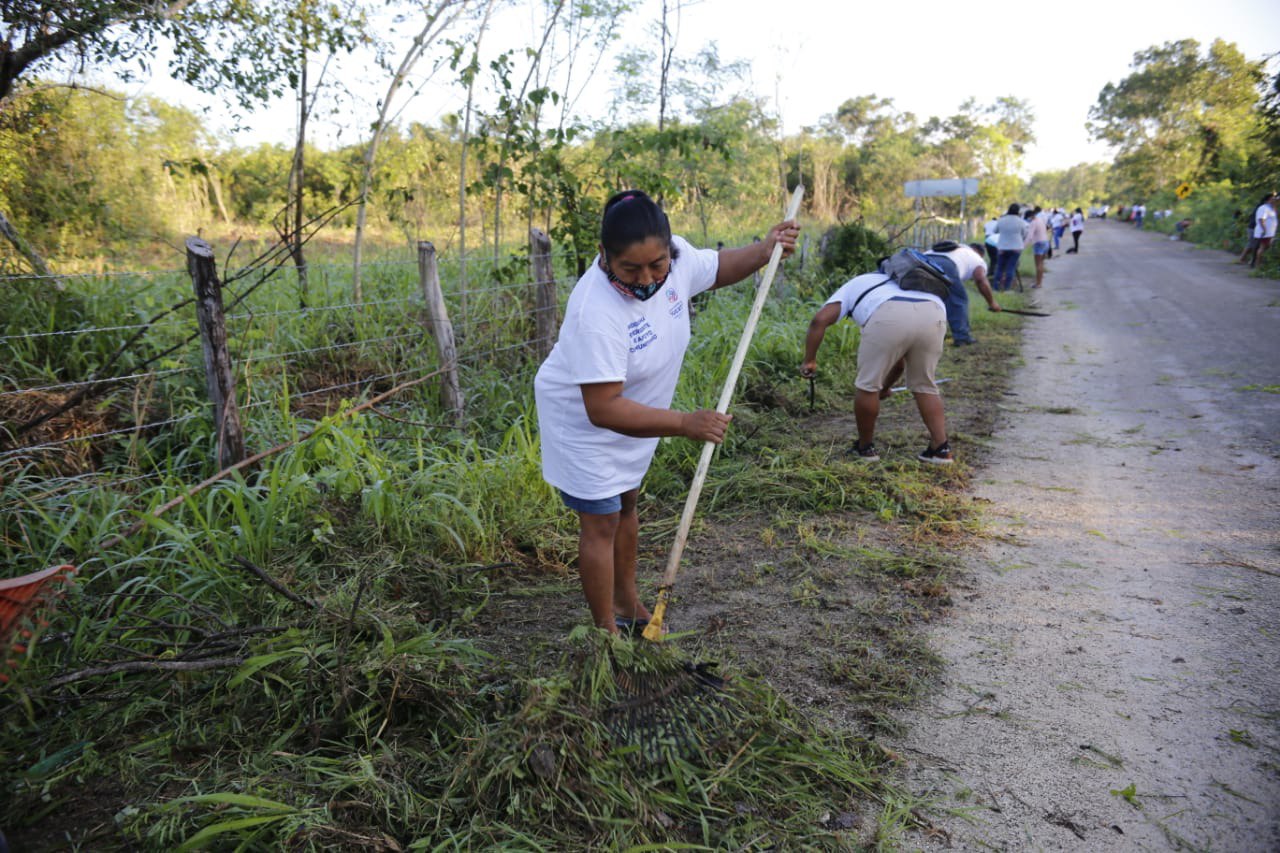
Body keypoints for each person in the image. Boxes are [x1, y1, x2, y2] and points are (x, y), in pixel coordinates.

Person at [534, 189, 799, 634]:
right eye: (630, 269)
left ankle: (627, 601)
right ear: (604, 255)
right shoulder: (594, 311)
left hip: (637, 413)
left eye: (656, 265)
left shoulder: (675, 262)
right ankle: (606, 632)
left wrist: (764, 249)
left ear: (670, 249)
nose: (646, 278)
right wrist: (683, 423)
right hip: (584, 422)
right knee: (601, 519)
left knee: (628, 504)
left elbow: (716, 269)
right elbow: (602, 408)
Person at [800, 270, 952, 464]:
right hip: (934, 312)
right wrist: (886, 387)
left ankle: (865, 448)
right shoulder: (913, 282)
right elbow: (897, 363)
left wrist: (809, 360)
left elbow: (819, 320)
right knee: (925, 384)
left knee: (867, 385)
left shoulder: (857, 283)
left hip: (888, 314)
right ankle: (940, 449)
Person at [925, 240, 1002, 346]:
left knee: (927, 299)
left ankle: (924, 335)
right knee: (958, 300)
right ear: (980, 253)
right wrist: (992, 303)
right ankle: (962, 338)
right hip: (947, 265)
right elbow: (980, 279)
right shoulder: (977, 258)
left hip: (922, 261)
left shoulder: (959, 251)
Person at [993, 203, 1028, 291]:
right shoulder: (1021, 221)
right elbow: (1025, 234)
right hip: (1016, 247)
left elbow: (995, 231)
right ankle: (1007, 288)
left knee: (1000, 268)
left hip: (1002, 247)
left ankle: (996, 287)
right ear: (1018, 211)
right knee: (1011, 268)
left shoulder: (1001, 220)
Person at [1246, 193, 1277, 268]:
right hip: (1264, 233)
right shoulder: (1264, 208)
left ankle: (1256, 262)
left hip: (1269, 233)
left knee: (1264, 247)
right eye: (1273, 198)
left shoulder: (1271, 208)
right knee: (1261, 248)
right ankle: (1257, 264)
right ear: (1268, 199)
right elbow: (1261, 219)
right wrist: (1264, 229)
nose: (1274, 199)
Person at [1024, 207, 1049, 288]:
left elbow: (1030, 236)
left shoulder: (1033, 222)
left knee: (1038, 265)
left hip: (1038, 243)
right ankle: (1040, 282)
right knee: (1041, 264)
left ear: (1030, 216)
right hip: (1045, 242)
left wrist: (1023, 246)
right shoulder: (1040, 220)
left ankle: (1038, 284)